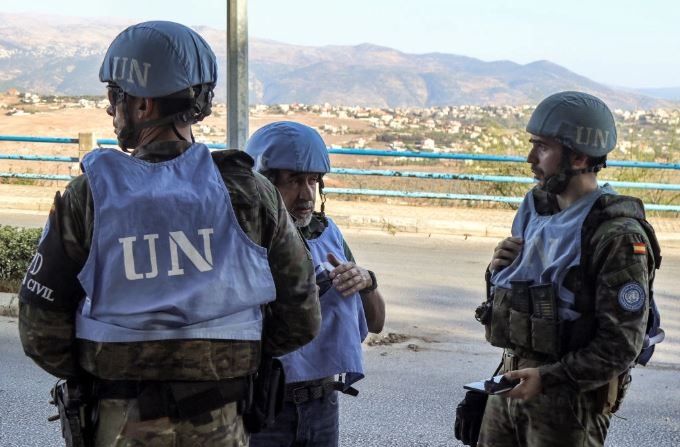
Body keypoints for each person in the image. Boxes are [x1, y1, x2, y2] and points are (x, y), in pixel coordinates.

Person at [18, 21, 321, 447]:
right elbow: (302, 316)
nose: (110, 109)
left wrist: (108, 373)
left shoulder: (88, 196)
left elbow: (40, 332)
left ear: (141, 105)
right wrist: (224, 362)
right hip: (224, 425)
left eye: (114, 96)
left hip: (119, 424)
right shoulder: (252, 194)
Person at [460, 91, 662, 447]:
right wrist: (497, 271)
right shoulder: (537, 209)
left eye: (542, 147)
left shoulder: (615, 235)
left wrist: (550, 377)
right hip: (511, 380)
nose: (530, 158)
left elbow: (620, 345)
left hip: (568, 402)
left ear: (579, 156)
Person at [244, 121, 386, 447]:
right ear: (263, 185)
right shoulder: (246, 240)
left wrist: (367, 282)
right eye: (294, 181)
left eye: (313, 180)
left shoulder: (326, 234)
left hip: (322, 403)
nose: (307, 194)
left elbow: (376, 323)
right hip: (265, 405)